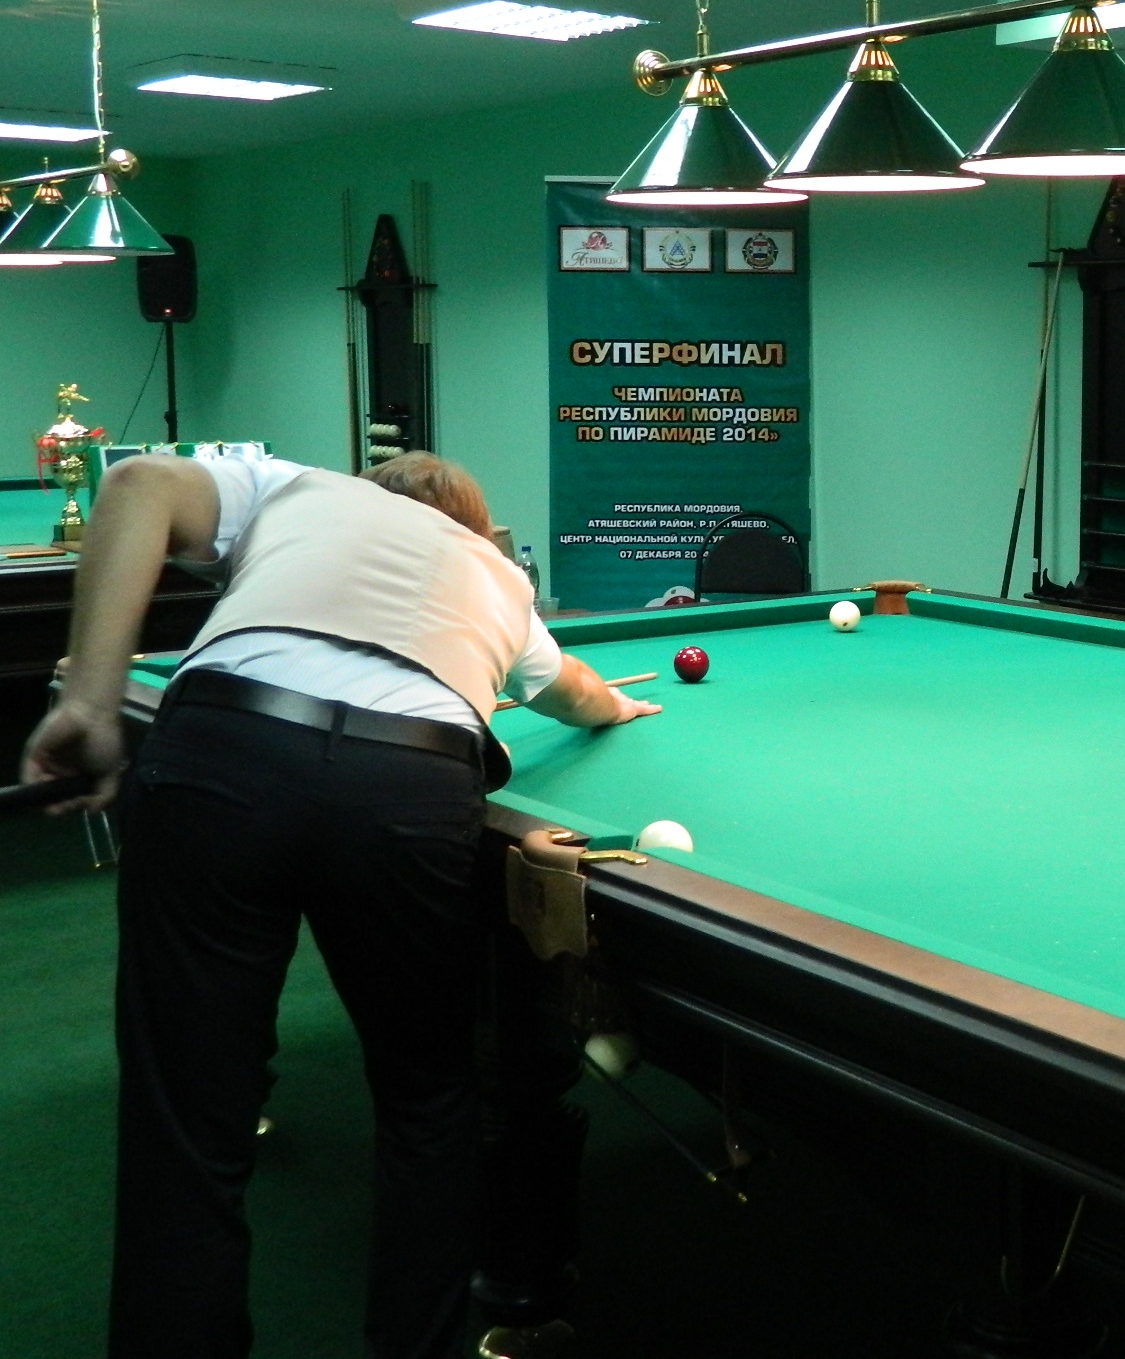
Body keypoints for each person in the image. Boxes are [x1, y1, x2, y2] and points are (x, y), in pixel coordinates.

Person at [20, 448, 658, 1359]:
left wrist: (89, 702)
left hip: (224, 750)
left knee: (186, 1114)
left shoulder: (296, 487)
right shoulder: (499, 578)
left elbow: (133, 483)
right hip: (408, 782)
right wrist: (616, 712)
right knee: (427, 1100)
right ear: (478, 528)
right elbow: (580, 696)